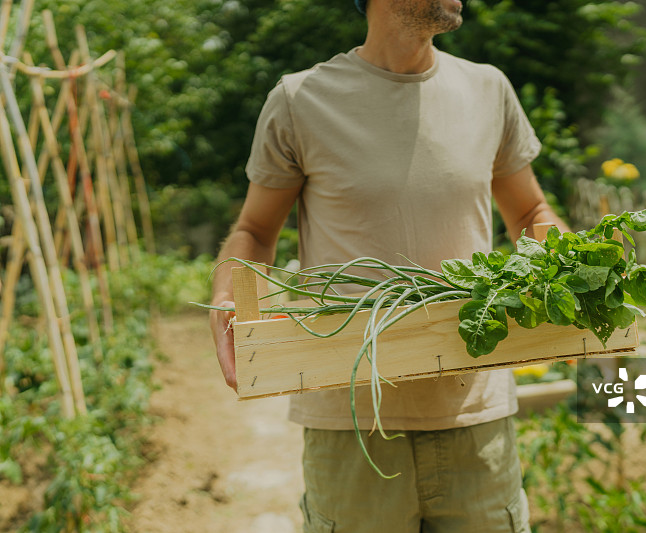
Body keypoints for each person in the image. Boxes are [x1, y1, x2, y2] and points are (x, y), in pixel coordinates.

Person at [209, 0, 569, 530]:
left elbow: (530, 213)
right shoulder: (301, 100)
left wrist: (577, 276)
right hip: (350, 420)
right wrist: (226, 299)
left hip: (474, 413)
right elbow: (256, 231)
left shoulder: (488, 89)